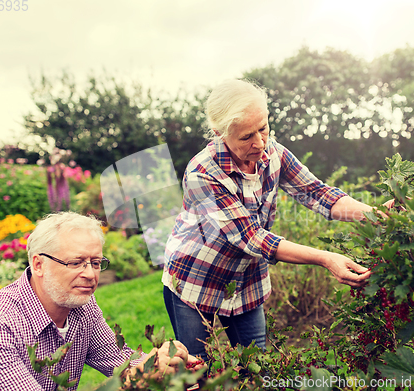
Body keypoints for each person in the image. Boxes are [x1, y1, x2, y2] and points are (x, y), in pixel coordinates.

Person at [162, 79, 392, 362]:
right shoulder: (202, 173)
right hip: (196, 280)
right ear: (219, 133)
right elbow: (251, 237)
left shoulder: (274, 153)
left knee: (257, 367)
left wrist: (375, 214)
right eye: (246, 137)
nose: (260, 143)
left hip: (246, 280)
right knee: (194, 369)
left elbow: (317, 193)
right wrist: (325, 258)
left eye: (263, 128)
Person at [0, 212, 204, 391]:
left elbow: (119, 360)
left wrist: (165, 363)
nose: (90, 275)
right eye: (76, 262)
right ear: (38, 265)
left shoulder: (81, 305)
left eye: (95, 263)